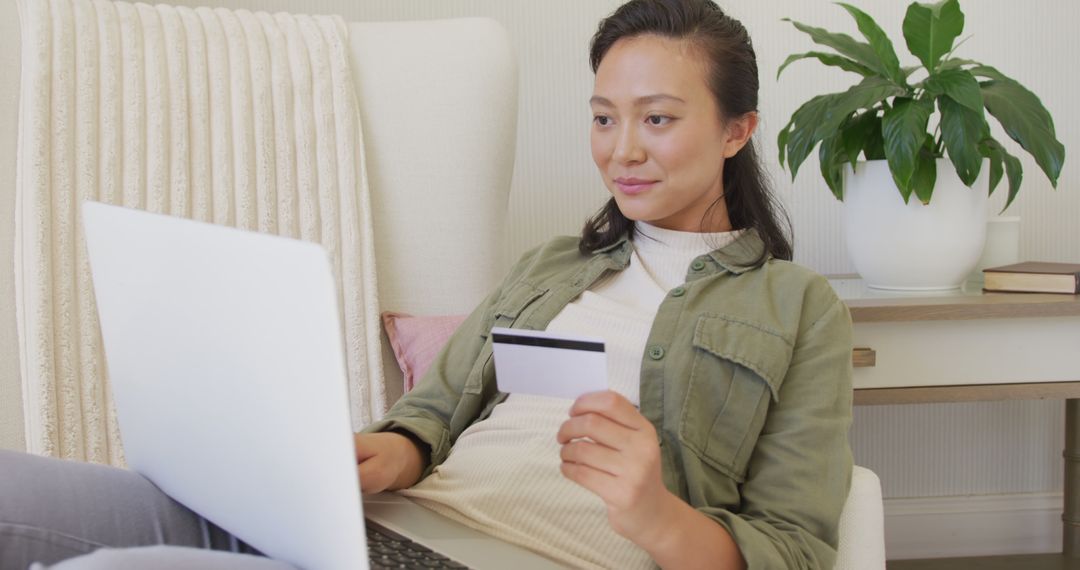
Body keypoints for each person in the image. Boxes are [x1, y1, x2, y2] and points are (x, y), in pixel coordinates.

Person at [0, 1, 853, 569]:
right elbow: (436, 414)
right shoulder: (556, 264)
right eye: (603, 117)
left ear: (736, 131)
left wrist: (655, 512)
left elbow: (799, 549)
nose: (621, 150)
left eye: (658, 119)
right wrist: (388, 452)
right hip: (364, 531)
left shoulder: (798, 307)